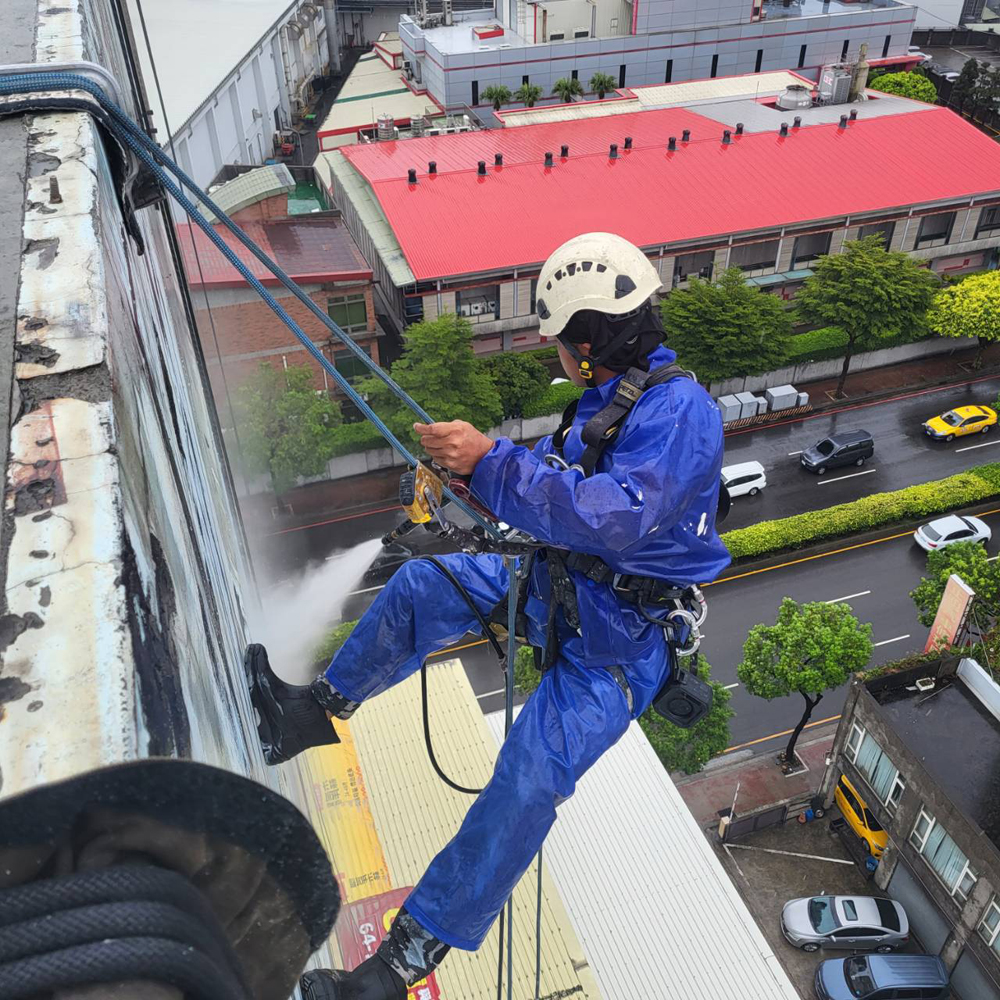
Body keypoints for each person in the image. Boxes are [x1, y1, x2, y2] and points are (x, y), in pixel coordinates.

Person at [246, 232, 730, 1000]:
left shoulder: (682, 413)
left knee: (527, 782)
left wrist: (490, 461)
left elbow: (614, 517)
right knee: (425, 585)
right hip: (566, 589)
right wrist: (475, 472)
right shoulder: (607, 402)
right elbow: (556, 490)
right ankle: (309, 714)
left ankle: (397, 966)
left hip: (622, 643)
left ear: (588, 339)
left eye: (564, 344)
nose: (560, 357)